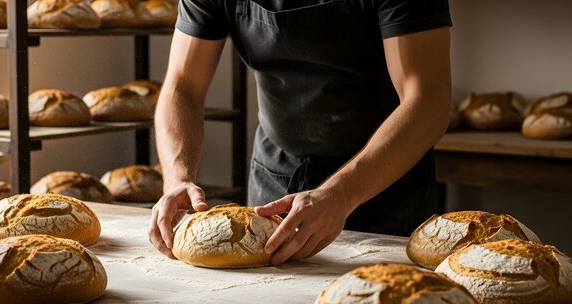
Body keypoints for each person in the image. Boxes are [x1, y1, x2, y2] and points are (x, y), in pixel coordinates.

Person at [148, 0, 452, 265]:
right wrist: (178, 177)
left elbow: (427, 102)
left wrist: (342, 193)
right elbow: (183, 87)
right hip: (276, 178)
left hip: (383, 183)